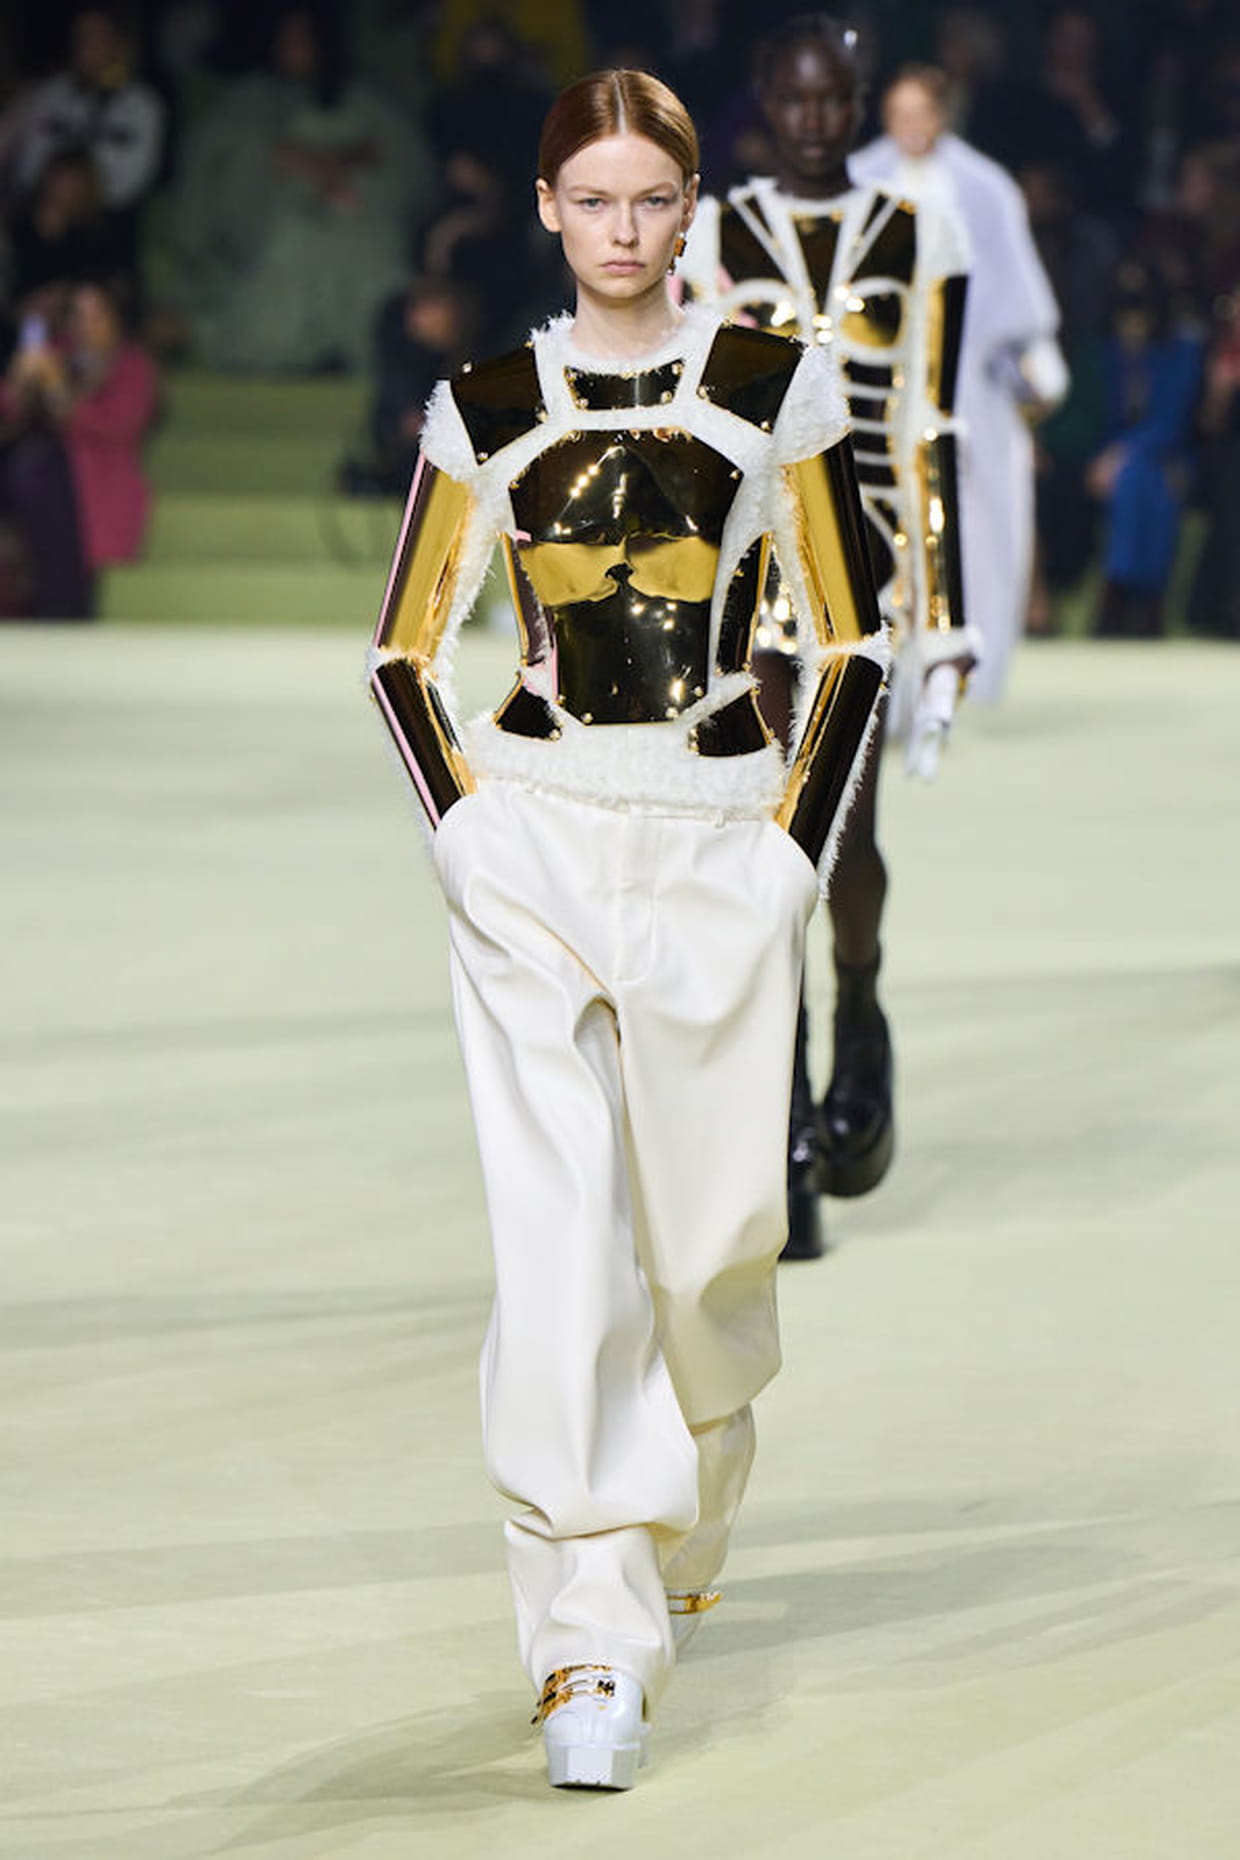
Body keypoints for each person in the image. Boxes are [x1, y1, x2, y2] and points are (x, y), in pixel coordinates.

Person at [366, 67, 885, 1789]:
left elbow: (854, 640)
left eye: (649, 199)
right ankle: (588, 1642)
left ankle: (686, 1502)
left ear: (688, 208)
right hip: (532, 843)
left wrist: (793, 858)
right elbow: (402, 651)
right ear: (546, 208)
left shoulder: (774, 390)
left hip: (721, 849)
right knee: (557, 1245)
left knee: (709, 1259)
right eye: (590, 199)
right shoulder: (485, 406)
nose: (620, 229)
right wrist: (467, 835)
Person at [679, 17, 979, 1259]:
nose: (813, 118)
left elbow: (928, 424)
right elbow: (689, 414)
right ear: (764, 100)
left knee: (843, 836)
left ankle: (859, 1000)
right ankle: (783, 1121)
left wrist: (946, 620)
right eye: (794, 99)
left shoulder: (921, 233)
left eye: (833, 99)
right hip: (745, 566)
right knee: (762, 845)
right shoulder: (714, 232)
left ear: (855, 104)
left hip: (862, 568)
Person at [851, 64, 1069, 700]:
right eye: (899, 113)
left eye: (921, 113)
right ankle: (879, 669)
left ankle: (977, 661)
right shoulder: (859, 177)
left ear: (943, 116)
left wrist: (1017, 362)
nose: (910, 126)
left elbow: (1014, 296)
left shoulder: (984, 187)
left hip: (968, 375)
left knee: (979, 516)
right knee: (876, 512)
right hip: (878, 375)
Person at [0, 280, 157, 616]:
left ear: (116, 319)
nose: (86, 326)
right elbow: (10, 410)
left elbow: (112, 426)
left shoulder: (133, 366)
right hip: (33, 507)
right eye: (77, 316)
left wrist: (55, 386)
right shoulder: (56, 354)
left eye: (96, 315)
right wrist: (18, 379)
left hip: (95, 499)